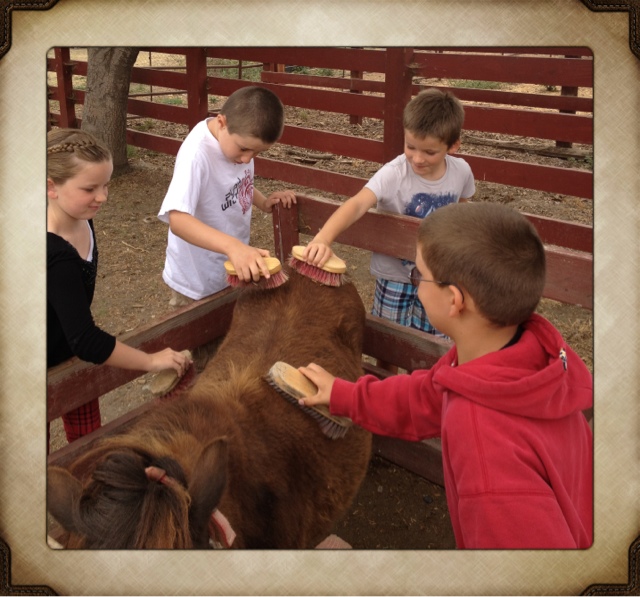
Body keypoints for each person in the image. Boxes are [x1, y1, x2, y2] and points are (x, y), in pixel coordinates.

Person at [298, 202, 593, 549]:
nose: (416, 284)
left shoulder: (485, 455)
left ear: (454, 300)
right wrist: (344, 395)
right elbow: (426, 396)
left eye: (419, 275)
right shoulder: (513, 359)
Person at [47, 128, 192, 444]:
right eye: (90, 188)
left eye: (106, 185)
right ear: (50, 187)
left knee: (88, 444)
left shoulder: (81, 215)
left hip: (68, 352)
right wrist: (150, 361)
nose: (102, 197)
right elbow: (86, 339)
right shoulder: (54, 254)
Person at [303, 88, 475, 341]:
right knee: (390, 339)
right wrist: (323, 238)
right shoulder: (393, 173)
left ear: (454, 145)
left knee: (437, 340)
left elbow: (463, 207)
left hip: (439, 277)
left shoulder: (461, 172)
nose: (417, 159)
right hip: (395, 275)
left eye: (430, 152)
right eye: (410, 146)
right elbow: (358, 204)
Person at [158, 86, 297, 307]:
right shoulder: (196, 155)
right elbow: (178, 220)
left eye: (258, 153)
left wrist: (263, 202)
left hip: (230, 265)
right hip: (196, 279)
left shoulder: (237, 145)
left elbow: (236, 183)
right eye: (244, 149)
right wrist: (234, 247)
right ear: (222, 122)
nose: (247, 159)